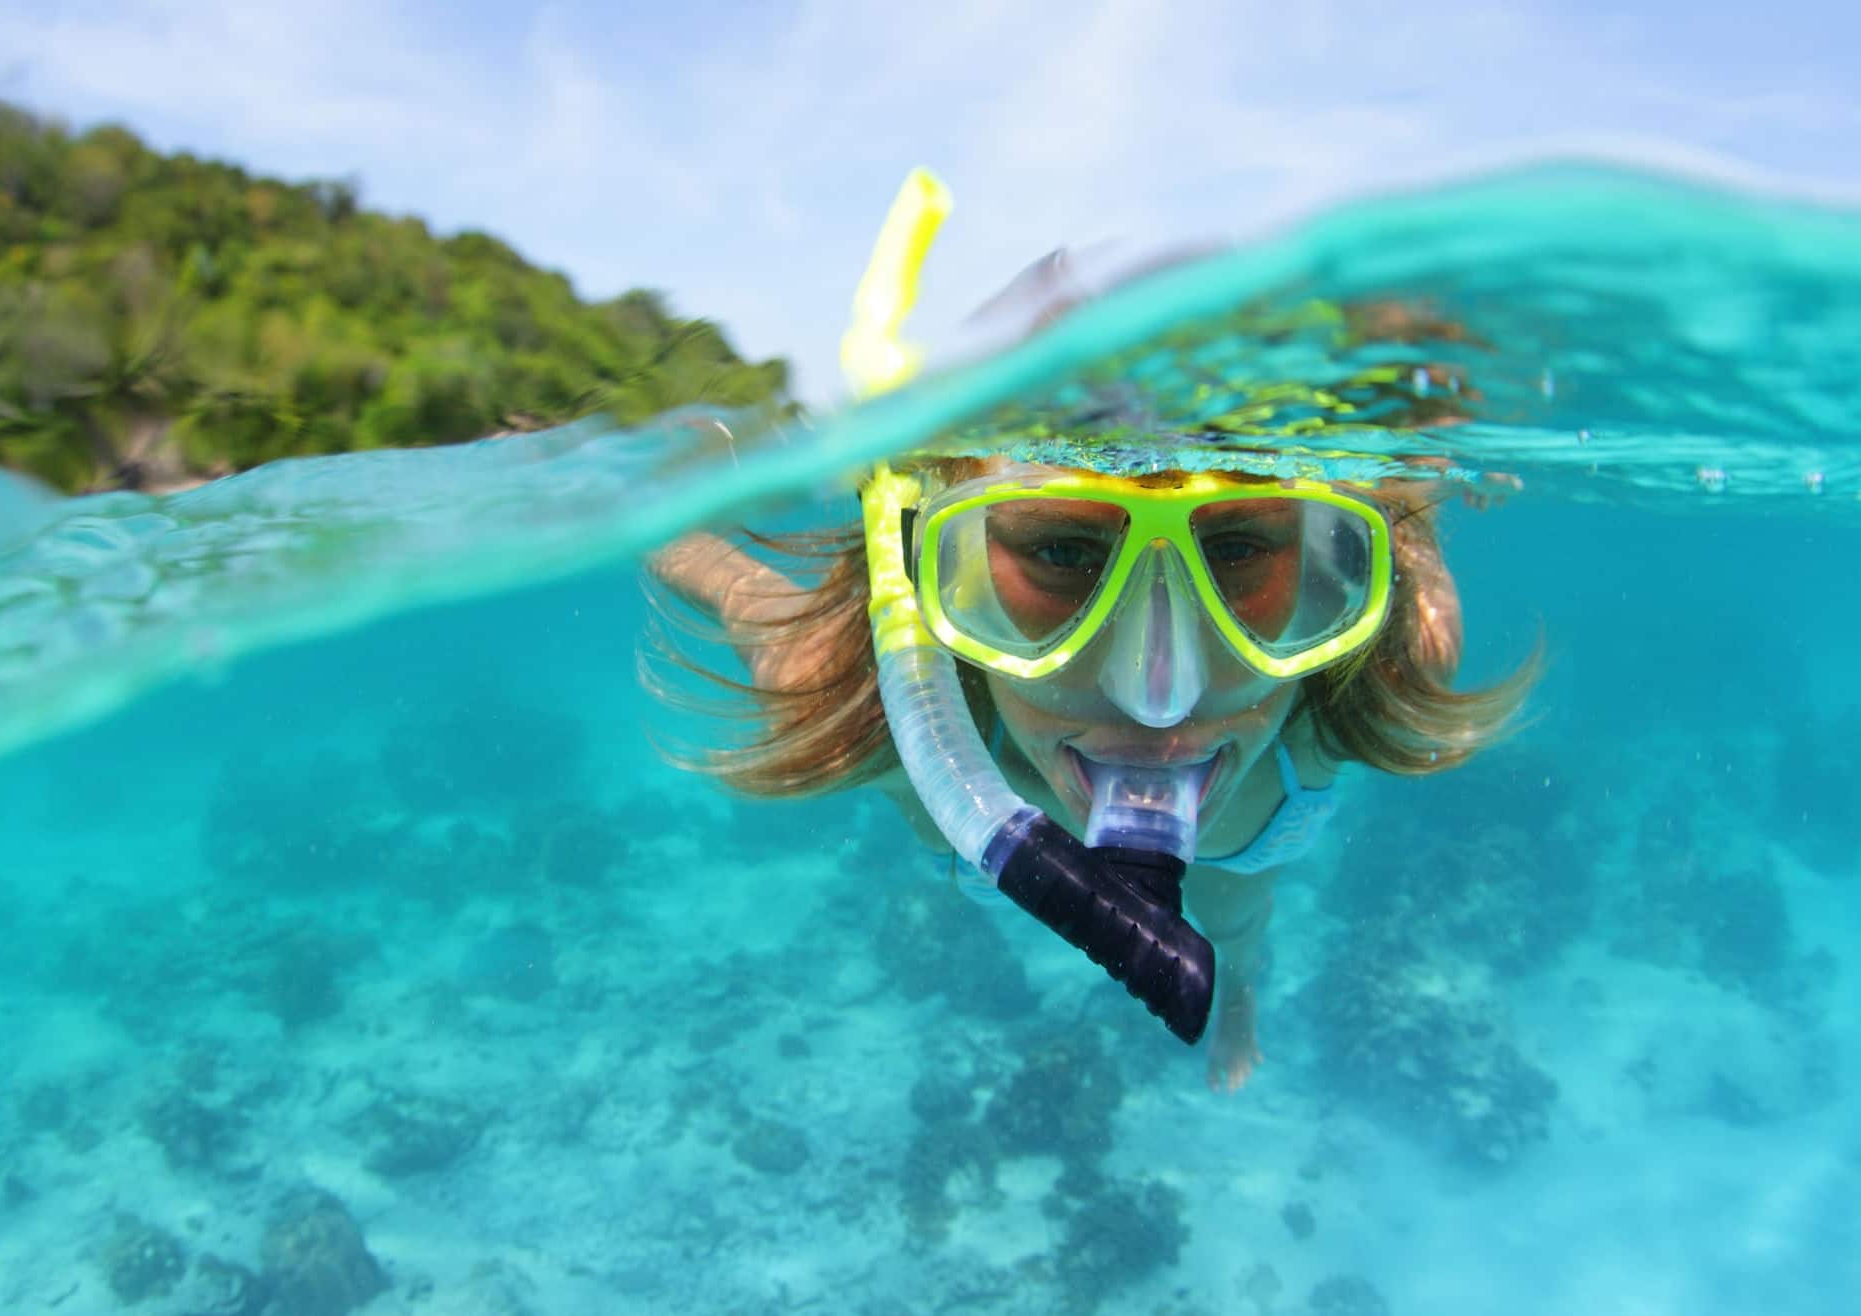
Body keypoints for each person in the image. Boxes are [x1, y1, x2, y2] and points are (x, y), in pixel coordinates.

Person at [645, 179, 1534, 1092]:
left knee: (1232, 918)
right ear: (924, 563)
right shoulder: (841, 677)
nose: (1161, 695)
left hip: (1240, 854)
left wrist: (1408, 469)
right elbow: (721, 573)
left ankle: (1240, 1001)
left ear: (1328, 566)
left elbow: (1400, 501)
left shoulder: (1395, 647)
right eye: (1063, 552)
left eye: (1237, 548)